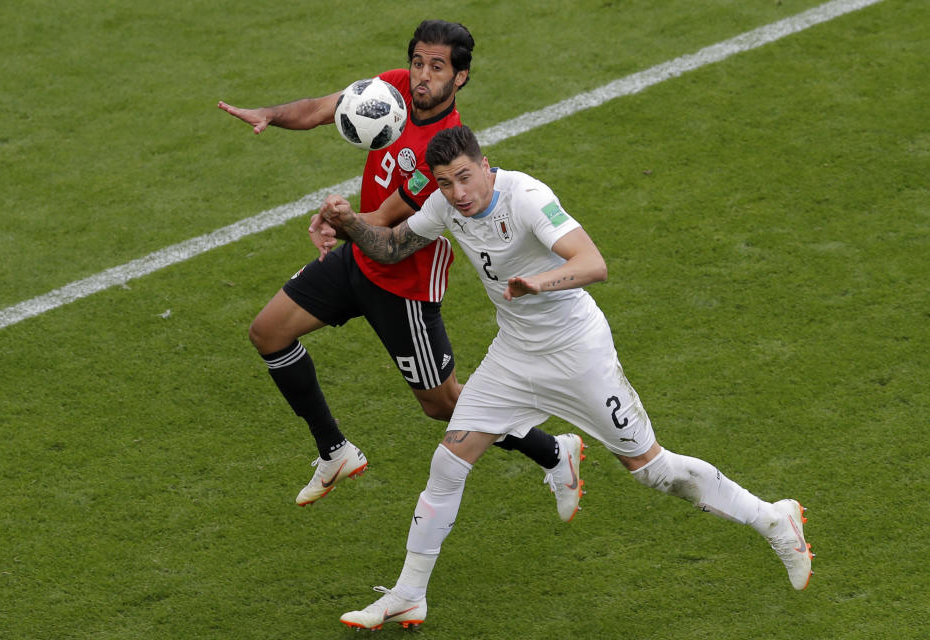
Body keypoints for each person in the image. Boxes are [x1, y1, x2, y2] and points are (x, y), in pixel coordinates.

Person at [319, 125, 815, 630]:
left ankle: (774, 520)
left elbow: (593, 263)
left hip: (577, 354)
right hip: (514, 355)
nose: (458, 193)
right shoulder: (446, 207)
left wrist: (539, 281)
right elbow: (390, 248)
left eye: (465, 178)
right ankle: (408, 594)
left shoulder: (527, 197)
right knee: (448, 463)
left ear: (485, 165)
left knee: (653, 471)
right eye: (445, 183)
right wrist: (347, 223)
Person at [217, 21, 582, 517]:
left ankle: (555, 452)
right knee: (268, 333)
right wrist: (269, 114)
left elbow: (387, 223)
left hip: (403, 282)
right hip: (358, 260)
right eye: (418, 63)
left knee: (444, 405)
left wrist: (336, 222)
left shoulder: (447, 151)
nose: (422, 77)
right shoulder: (390, 90)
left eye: (437, 67)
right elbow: (325, 108)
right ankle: (335, 452)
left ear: (461, 78)